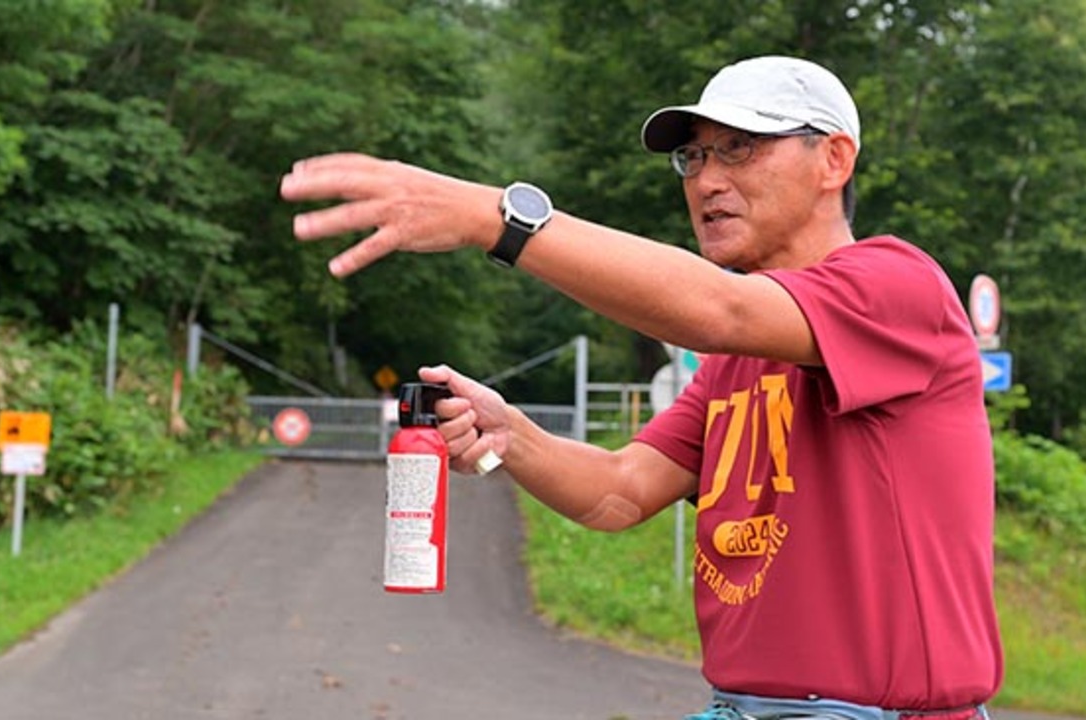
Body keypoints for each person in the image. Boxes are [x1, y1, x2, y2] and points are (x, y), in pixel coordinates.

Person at [280, 55, 1003, 720]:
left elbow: (716, 309)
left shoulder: (895, 285)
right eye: (693, 156)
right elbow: (619, 491)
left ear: (833, 159)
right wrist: (511, 437)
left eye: (739, 149)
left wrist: (490, 218)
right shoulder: (734, 365)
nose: (706, 179)